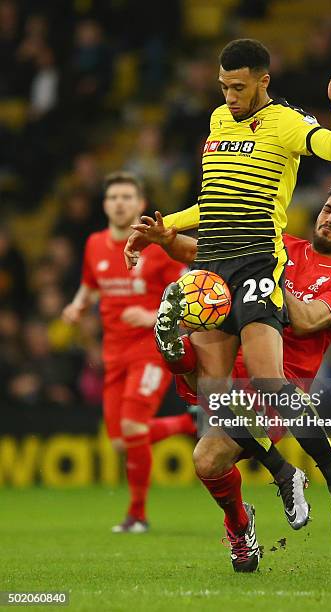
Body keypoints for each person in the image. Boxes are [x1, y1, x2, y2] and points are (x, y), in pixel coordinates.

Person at [125, 179, 331, 571]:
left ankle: (322, 480)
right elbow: (204, 253)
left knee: (217, 442)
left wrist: (263, 276)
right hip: (233, 359)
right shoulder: (284, 246)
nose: (329, 219)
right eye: (327, 209)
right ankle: (242, 526)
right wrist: (164, 238)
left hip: (280, 381)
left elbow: (308, 320)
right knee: (185, 362)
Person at [62, 172, 195, 533]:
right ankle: (189, 423)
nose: (119, 202)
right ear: (105, 205)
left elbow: (193, 291)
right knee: (121, 440)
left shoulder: (157, 248)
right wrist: (77, 307)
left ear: (139, 204)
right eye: (113, 197)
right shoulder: (94, 244)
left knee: (134, 426)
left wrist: (153, 315)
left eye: (126, 197)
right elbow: (90, 286)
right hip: (113, 353)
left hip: (150, 350)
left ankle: (137, 515)